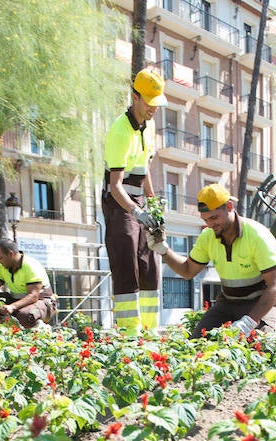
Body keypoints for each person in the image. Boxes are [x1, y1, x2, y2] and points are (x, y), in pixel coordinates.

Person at [147, 184, 276, 340]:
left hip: (258, 304)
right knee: (197, 343)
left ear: (229, 206)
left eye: (214, 218)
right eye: (205, 219)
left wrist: (249, 322)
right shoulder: (208, 236)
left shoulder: (257, 235)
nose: (210, 224)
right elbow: (187, 270)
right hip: (227, 303)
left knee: (264, 344)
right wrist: (163, 250)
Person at [102, 67, 166, 336]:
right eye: (149, 102)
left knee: (150, 262)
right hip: (119, 203)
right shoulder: (120, 131)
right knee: (127, 260)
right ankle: (129, 333)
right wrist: (136, 212)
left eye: (156, 103)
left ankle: (150, 330)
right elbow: (115, 186)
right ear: (135, 96)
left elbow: (145, 169)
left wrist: (152, 205)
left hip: (139, 198)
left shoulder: (148, 127)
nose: (153, 108)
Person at [0, 238, 56, 329]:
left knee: (26, 315)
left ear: (11, 254)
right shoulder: (2, 267)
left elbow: (33, 296)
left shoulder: (31, 266)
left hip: (42, 302)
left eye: (0, 258)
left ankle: (40, 328)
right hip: (16, 300)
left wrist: (12, 307)